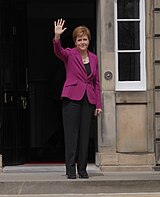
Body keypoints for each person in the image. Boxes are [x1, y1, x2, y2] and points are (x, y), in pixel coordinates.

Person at [53, 19, 102, 179]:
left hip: (89, 99)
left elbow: (96, 82)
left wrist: (98, 104)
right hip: (71, 98)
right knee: (71, 134)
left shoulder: (94, 58)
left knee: (84, 135)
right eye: (79, 39)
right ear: (75, 41)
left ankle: (83, 169)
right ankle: (70, 169)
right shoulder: (70, 54)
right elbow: (58, 51)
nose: (82, 42)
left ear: (89, 40)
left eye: (85, 39)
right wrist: (57, 37)